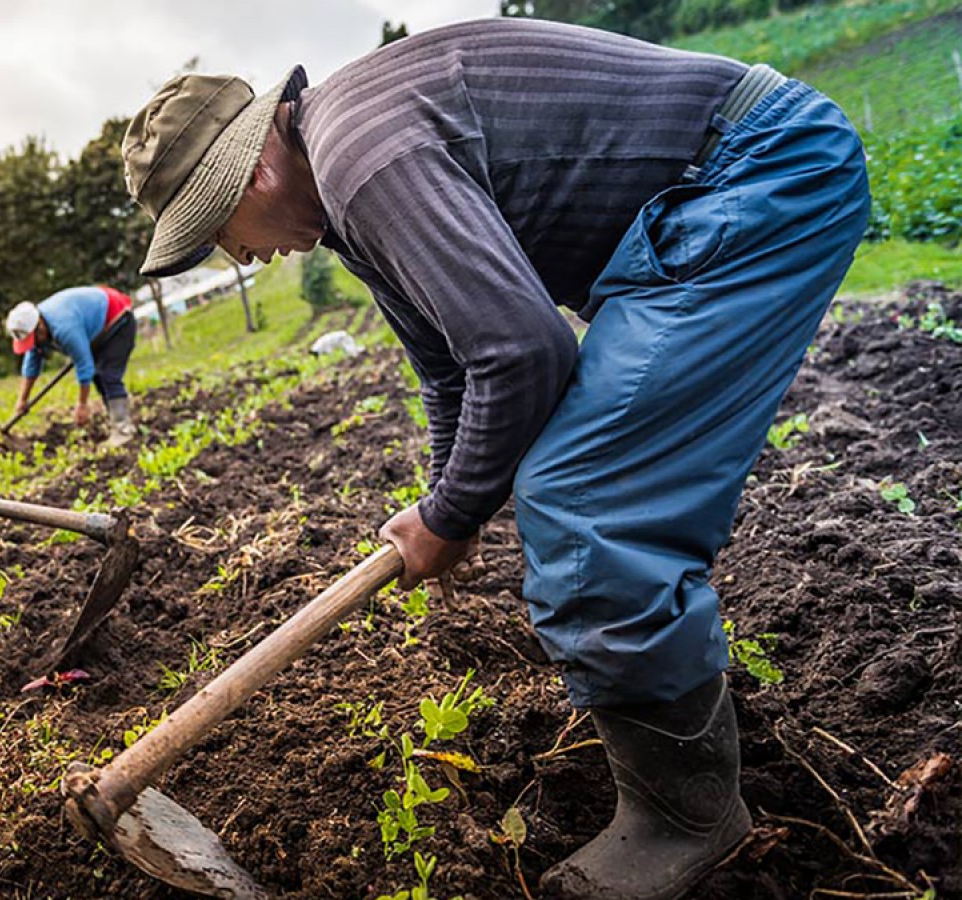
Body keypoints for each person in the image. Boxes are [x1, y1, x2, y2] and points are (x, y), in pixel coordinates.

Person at [121, 19, 868, 899]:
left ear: (252, 173)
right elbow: (451, 366)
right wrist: (447, 500)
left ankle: (688, 821)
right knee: (574, 484)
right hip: (720, 182)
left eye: (220, 230)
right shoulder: (344, 183)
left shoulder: (364, 161)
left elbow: (523, 354)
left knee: (582, 497)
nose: (241, 256)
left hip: (759, 173)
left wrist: (449, 518)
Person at [7, 285, 138, 445]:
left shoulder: (64, 327)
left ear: (39, 326)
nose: (33, 343)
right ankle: (117, 423)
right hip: (98, 324)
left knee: (108, 375)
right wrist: (22, 400)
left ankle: (123, 430)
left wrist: (82, 405)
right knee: (99, 378)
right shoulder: (36, 327)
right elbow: (31, 365)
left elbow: (84, 365)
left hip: (119, 319)